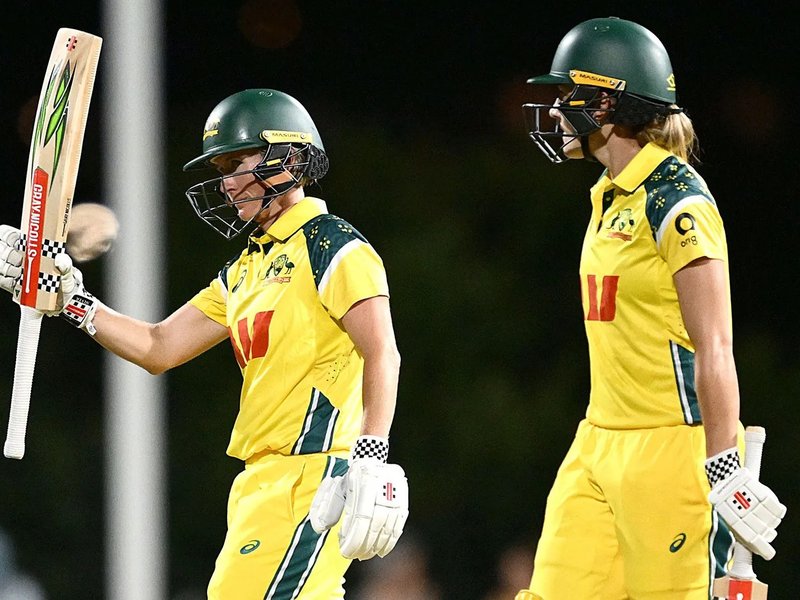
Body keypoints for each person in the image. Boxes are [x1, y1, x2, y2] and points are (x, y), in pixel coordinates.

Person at [0, 88, 409, 599]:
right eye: (223, 167)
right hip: (258, 484)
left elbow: (382, 351)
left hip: (314, 477)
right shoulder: (244, 270)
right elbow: (158, 346)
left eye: (239, 162)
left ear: (289, 155)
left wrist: (371, 453)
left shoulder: (333, 245)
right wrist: (72, 301)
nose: (228, 181)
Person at [514, 17, 786, 599]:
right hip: (597, 440)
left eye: (567, 96)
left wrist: (723, 466)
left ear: (607, 102)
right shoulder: (610, 194)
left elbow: (714, 345)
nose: (556, 112)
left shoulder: (677, 201)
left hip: (673, 451)